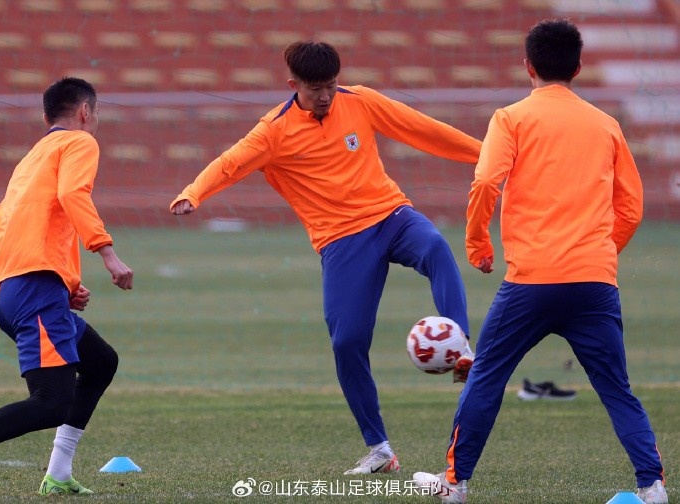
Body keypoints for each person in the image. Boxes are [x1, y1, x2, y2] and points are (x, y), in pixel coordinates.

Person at [170, 41, 481, 475]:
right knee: (347, 342)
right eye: (316, 88)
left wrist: (486, 155)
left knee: (436, 246)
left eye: (331, 86)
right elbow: (229, 163)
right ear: (293, 84)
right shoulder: (273, 132)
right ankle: (379, 449)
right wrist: (193, 193)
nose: (326, 96)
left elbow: (423, 129)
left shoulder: (360, 101)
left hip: (391, 215)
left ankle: (460, 345)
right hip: (341, 242)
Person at [413, 18, 667, 504]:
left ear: (528, 65)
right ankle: (652, 486)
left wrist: (477, 243)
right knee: (616, 388)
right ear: (578, 67)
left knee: (486, 376)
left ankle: (455, 484)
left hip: (531, 282)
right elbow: (632, 207)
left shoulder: (511, 118)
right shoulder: (606, 124)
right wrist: (597, 254)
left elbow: (486, 181)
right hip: (593, 282)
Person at [0, 77, 134, 495]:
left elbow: (3, 224)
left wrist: (64, 284)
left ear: (45, 117)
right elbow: (73, 193)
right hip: (32, 290)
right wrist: (107, 253)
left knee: (101, 362)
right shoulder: (79, 142)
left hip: (17, 289)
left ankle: (58, 473)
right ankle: (56, 473)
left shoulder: (32, 157)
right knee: (51, 401)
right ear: (85, 112)